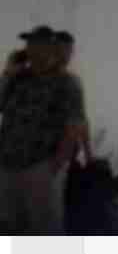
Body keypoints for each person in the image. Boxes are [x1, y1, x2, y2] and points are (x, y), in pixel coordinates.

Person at [0, 26, 86, 235]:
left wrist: (55, 166)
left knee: (43, 229)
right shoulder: (17, 78)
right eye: (28, 43)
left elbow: (74, 125)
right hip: (8, 164)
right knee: (10, 227)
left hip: (40, 166)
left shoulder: (66, 83)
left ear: (50, 49)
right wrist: (7, 72)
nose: (29, 48)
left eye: (36, 44)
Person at [54, 31, 92, 164]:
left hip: (65, 153)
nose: (67, 54)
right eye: (63, 48)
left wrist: (89, 157)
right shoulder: (36, 79)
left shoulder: (74, 81)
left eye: (69, 50)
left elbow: (82, 119)